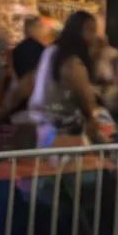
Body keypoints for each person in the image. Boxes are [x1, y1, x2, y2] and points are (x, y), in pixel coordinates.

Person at [29, 10, 106, 146]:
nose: (95, 37)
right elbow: (86, 99)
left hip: (42, 127)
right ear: (80, 30)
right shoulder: (72, 62)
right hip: (63, 132)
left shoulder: (50, 51)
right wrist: (93, 118)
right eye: (91, 30)